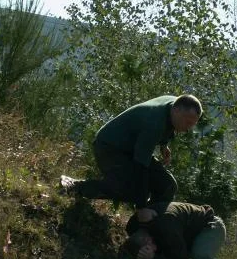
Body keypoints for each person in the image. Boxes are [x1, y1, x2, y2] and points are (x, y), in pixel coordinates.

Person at [61, 94, 202, 222]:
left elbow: (169, 125)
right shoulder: (154, 123)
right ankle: (76, 187)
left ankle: (147, 228)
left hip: (130, 149)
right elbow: (140, 167)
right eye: (188, 122)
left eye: (192, 124)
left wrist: (164, 145)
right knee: (130, 190)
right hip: (109, 147)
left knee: (167, 185)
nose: (189, 128)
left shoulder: (174, 105)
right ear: (176, 110)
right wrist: (141, 207)